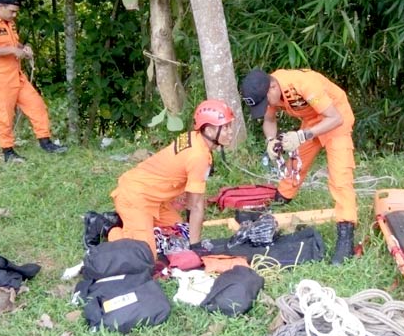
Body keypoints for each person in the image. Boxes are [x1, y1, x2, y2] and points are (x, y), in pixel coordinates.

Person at [240, 68, 357, 265]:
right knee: (295, 163)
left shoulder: (304, 84)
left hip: (337, 118)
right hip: (313, 120)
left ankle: (346, 234)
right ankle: (282, 198)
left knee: (340, 177)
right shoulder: (268, 90)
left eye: (266, 102)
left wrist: (302, 135)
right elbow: (269, 120)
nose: (267, 106)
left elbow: (335, 118)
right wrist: (271, 141)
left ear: (273, 87)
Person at [102, 99, 235, 257]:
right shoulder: (198, 156)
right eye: (225, 127)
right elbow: (196, 206)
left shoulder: (194, 137)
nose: (230, 131)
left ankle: (136, 224)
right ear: (209, 130)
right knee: (146, 255)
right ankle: (110, 229)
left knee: (178, 235)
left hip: (156, 199)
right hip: (136, 196)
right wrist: (195, 246)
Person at [0, 0, 67, 163]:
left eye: (15, 12)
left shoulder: (9, 23)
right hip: (0, 79)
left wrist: (23, 48)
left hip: (17, 75)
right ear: (0, 6)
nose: (14, 15)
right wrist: (12, 50)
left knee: (36, 105)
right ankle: (8, 151)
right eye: (12, 11)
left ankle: (45, 142)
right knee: (4, 116)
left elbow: (13, 43)